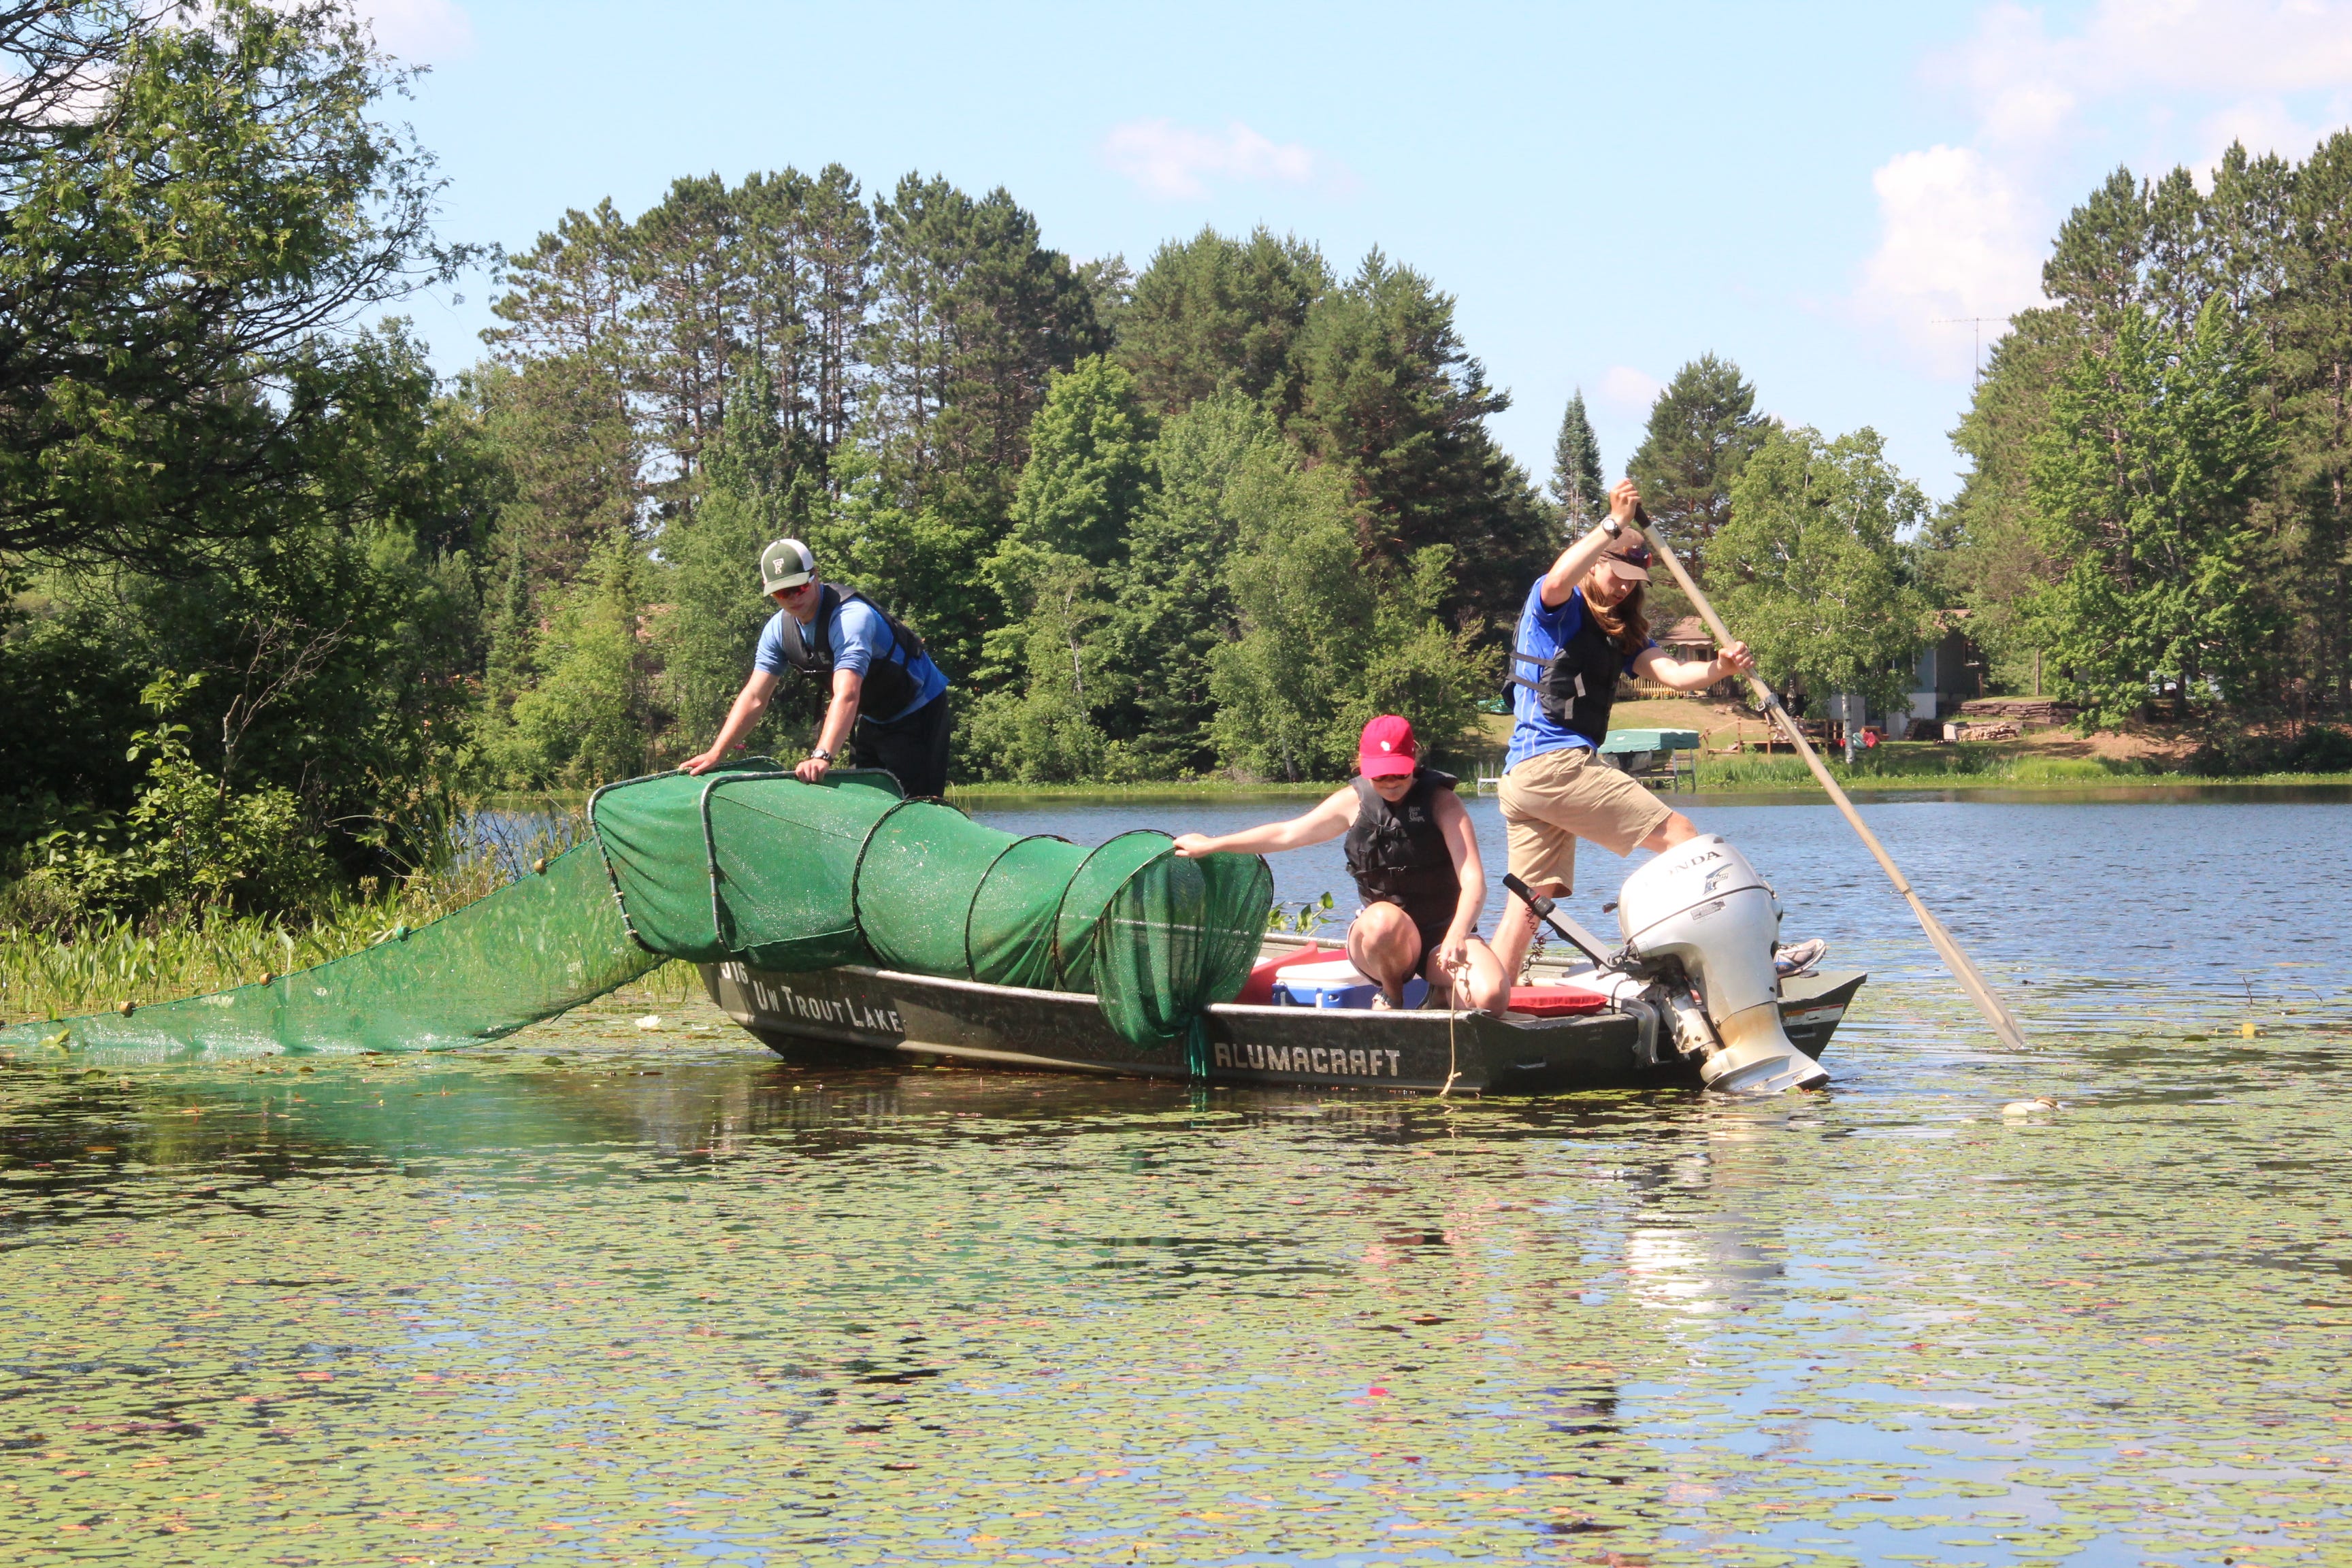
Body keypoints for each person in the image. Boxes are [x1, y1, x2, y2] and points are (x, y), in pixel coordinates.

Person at [1490, 478, 1822, 982]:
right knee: (1683, 837)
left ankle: (1489, 995)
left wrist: (1720, 669)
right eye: (1617, 573)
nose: (1624, 586)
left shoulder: (1620, 633)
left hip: (1527, 781)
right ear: (1597, 561)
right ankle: (1752, 955)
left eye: (1633, 580)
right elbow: (1560, 577)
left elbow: (1673, 673)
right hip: (1553, 764)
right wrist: (1613, 524)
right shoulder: (1555, 608)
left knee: (1531, 900)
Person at [1172, 716, 1510, 1014]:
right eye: (1380, 776)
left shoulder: (1443, 803)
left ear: (1414, 761)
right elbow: (1288, 833)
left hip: (1443, 935)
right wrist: (1213, 845)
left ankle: (1439, 992)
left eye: (1399, 773)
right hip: (1383, 939)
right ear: (1362, 766)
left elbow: (1473, 881)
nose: (1390, 782)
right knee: (1382, 921)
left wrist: (1457, 933)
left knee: (1492, 997)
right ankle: (1392, 996)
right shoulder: (1353, 802)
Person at [681, 538, 953, 797]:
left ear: (815, 576)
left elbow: (847, 694)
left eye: (799, 587)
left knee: (915, 806)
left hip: (919, 709)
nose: (792, 598)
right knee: (869, 806)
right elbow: (755, 696)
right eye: (781, 592)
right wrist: (717, 753)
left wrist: (822, 755)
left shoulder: (851, 619)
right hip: (872, 717)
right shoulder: (778, 630)